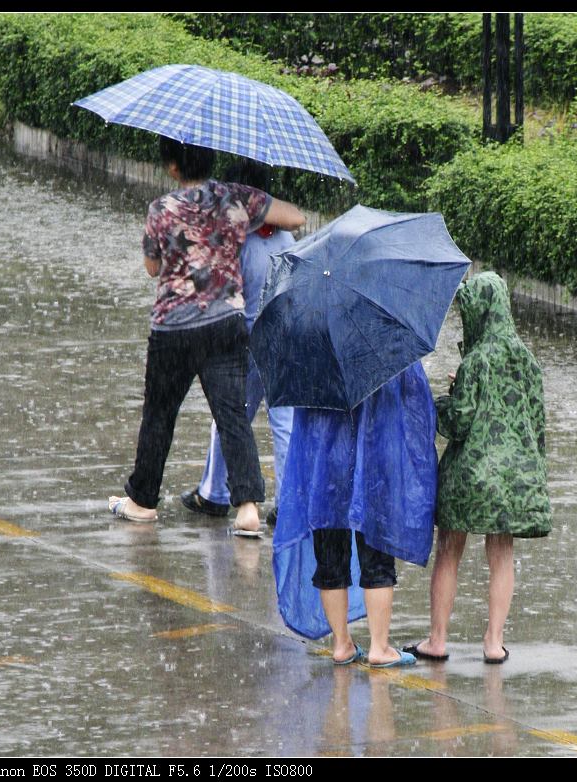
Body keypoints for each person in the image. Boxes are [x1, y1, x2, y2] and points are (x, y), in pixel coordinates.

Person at [107, 137, 306, 535]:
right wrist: (249, 220)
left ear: (173, 168)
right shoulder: (235, 198)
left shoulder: (160, 209)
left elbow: (152, 266)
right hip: (224, 326)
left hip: (174, 327)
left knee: (160, 414)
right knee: (232, 414)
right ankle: (248, 507)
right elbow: (296, 218)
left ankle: (142, 500)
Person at [404, 271, 551, 664]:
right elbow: (536, 425)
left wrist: (442, 400)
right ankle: (493, 642)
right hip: (513, 481)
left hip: (469, 477)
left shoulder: (477, 359)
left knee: (449, 549)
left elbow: (458, 423)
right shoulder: (528, 360)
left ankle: (437, 640)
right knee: (501, 552)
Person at [273, 362, 438, 668]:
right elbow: (419, 406)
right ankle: (379, 647)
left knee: (329, 557)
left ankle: (341, 644)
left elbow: (302, 420)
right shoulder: (385, 342)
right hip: (375, 462)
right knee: (376, 555)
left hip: (325, 466)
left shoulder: (311, 350)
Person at [179, 159, 298, 529]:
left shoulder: (238, 241)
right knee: (285, 422)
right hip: (282, 338)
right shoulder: (287, 237)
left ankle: (214, 493)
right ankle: (290, 501)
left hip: (244, 340)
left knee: (231, 417)